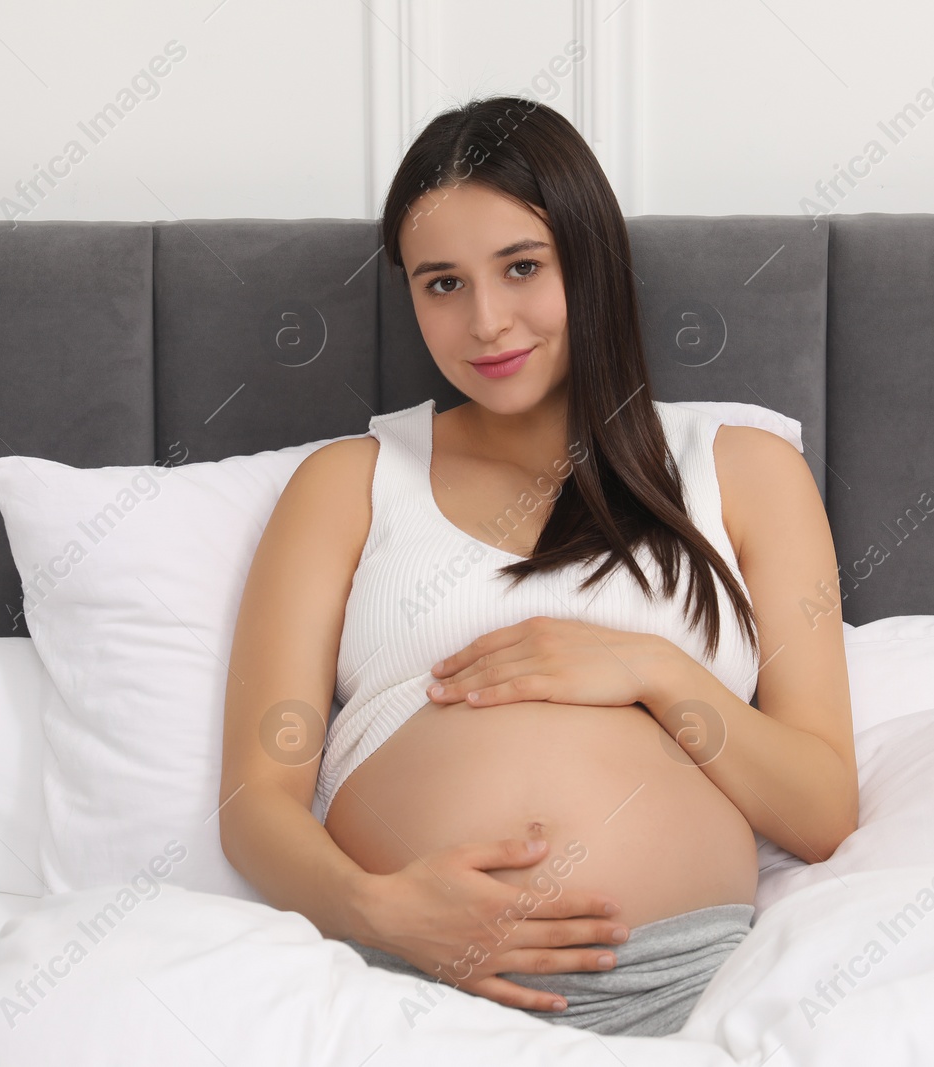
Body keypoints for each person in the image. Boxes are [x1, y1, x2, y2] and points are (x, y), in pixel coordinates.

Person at [219, 95, 857, 1037]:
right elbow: (253, 800)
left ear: (591, 261)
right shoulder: (346, 484)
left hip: (679, 992)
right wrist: (376, 908)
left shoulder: (747, 472)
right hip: (398, 982)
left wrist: (647, 668)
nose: (486, 321)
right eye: (443, 283)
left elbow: (824, 810)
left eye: (522, 267)